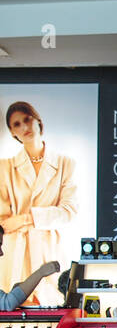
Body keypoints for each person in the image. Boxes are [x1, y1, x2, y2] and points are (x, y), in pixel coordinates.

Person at [1, 101, 80, 306]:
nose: (25, 127)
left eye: (27, 119)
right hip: (14, 251)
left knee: (52, 305)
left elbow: (68, 211)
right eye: (17, 124)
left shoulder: (65, 164)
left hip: (49, 248)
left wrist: (27, 218)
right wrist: (42, 217)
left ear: (38, 121)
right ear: (12, 132)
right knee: (14, 308)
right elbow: (4, 222)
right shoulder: (5, 168)